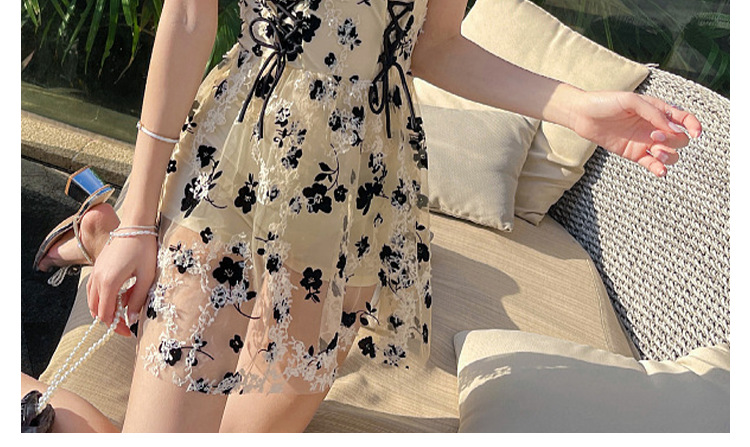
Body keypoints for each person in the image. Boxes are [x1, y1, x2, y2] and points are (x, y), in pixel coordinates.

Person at [33, 0, 701, 433]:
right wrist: (137, 221)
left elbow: (435, 47)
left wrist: (577, 109)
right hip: (237, 171)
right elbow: (186, 18)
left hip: (354, 205)